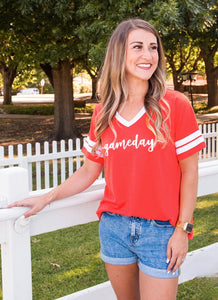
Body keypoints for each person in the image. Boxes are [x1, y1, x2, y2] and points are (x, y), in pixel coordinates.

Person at [7, 19, 206, 300]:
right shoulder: (104, 113)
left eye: (153, 48)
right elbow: (89, 171)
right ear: (118, 54)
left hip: (161, 231)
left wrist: (183, 230)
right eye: (137, 47)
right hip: (114, 228)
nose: (148, 56)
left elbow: (190, 172)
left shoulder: (175, 105)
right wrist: (48, 197)